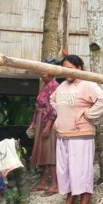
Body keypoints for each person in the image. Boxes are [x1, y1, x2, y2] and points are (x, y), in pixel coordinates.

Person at [50, 54, 103, 204]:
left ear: (79, 68)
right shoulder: (62, 86)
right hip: (63, 135)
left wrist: (88, 114)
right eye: (63, 68)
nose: (66, 72)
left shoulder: (87, 84)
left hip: (81, 135)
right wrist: (60, 116)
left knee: (81, 172)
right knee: (67, 173)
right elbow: (52, 100)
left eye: (70, 68)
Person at [28, 68, 59, 196]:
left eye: (45, 73)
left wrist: (48, 125)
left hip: (49, 122)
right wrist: (33, 124)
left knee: (50, 151)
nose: (42, 74)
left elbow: (53, 108)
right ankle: (43, 182)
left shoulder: (55, 86)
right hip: (40, 119)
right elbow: (38, 107)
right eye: (41, 72)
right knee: (40, 150)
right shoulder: (45, 86)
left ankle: (54, 184)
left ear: (52, 73)